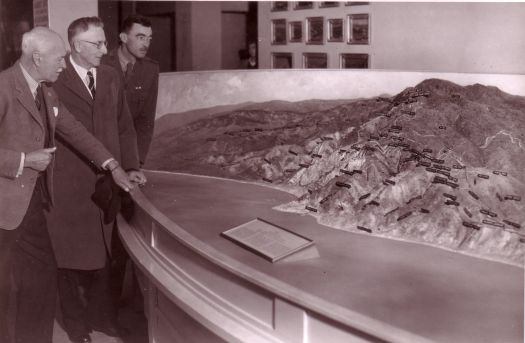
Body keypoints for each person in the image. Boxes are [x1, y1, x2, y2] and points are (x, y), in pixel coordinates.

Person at [0, 26, 134, 343]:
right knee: (6, 286)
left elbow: (75, 131)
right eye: (59, 59)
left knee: (42, 278)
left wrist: (112, 164)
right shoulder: (4, 87)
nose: (64, 64)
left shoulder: (47, 91)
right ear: (37, 57)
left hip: (32, 203)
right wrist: (23, 160)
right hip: (4, 206)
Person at [45, 17, 146, 343]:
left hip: (109, 182)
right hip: (68, 184)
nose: (105, 49)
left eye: (104, 42)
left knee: (107, 256)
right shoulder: (54, 79)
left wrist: (130, 165)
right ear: (76, 46)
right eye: (97, 44)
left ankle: (101, 319)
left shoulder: (110, 76)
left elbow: (124, 126)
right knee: (69, 261)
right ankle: (76, 327)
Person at [101, 13, 158, 310]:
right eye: (140, 37)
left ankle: (117, 306)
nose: (146, 43)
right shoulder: (101, 64)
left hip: (129, 163)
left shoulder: (150, 70)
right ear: (123, 38)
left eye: (149, 38)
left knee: (125, 235)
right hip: (98, 160)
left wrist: (135, 164)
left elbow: (145, 122)